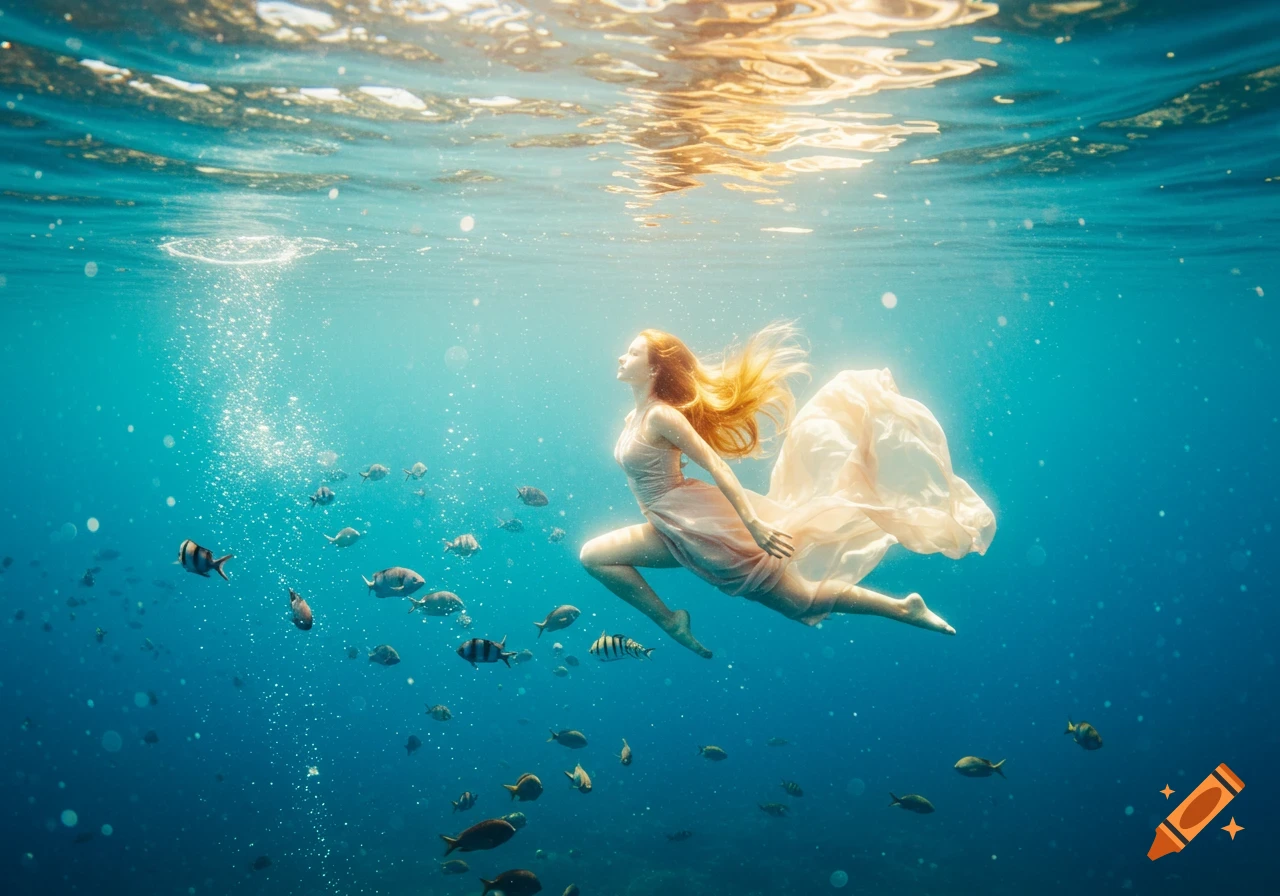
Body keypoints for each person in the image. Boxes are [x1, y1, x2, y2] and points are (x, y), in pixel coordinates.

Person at [579, 322, 996, 659]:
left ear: (654, 369)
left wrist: (753, 524)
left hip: (695, 523)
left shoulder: (661, 418)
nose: (622, 356)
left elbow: (716, 465)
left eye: (633, 352)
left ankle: (905, 609)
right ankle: (671, 622)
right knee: (595, 556)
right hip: (669, 522)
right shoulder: (633, 419)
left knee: (799, 602)